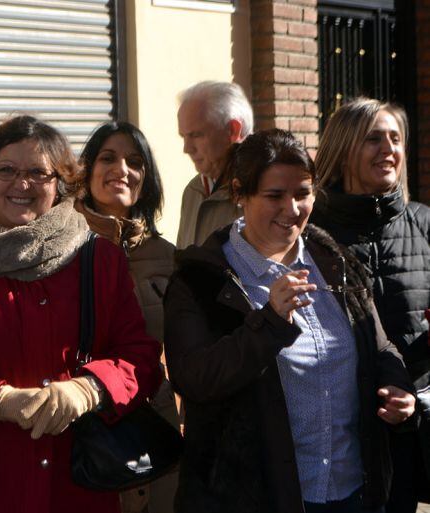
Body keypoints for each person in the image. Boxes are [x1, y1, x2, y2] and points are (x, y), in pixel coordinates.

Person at [0, 114, 162, 513]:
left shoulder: (99, 259)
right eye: (6, 170)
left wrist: (90, 388)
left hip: (71, 486)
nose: (21, 184)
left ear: (59, 183)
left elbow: (140, 358)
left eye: (38, 173)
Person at [164, 129, 415, 513]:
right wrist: (270, 322)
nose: (292, 209)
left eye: (302, 194)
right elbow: (194, 378)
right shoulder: (201, 279)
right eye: (274, 196)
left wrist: (397, 387)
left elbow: (378, 345)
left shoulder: (335, 261)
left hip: (352, 493)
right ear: (239, 194)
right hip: (255, 499)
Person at [311, 98, 430, 513]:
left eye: (395, 139)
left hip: (419, 427)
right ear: (344, 149)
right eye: (373, 139)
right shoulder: (312, 236)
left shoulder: (425, 224)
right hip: (342, 436)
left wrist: (418, 396)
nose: (389, 149)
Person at [75, 121, 178, 513]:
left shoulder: (165, 256)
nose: (122, 169)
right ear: (86, 170)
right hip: (86, 429)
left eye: (134, 162)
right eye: (108, 158)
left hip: (154, 426)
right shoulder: (59, 247)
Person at [176, 81, 253, 248]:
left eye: (196, 135)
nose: (187, 148)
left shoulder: (263, 192)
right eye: (183, 137)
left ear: (233, 130)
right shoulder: (193, 191)